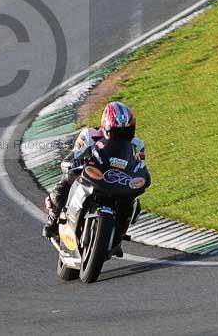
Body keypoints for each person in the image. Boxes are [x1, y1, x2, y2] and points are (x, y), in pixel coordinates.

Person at [42, 101, 151, 257]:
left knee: (131, 200)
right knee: (67, 179)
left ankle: (116, 237)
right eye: (117, 132)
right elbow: (72, 156)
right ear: (105, 126)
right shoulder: (89, 135)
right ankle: (53, 220)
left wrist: (143, 176)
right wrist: (73, 162)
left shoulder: (137, 144)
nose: (121, 136)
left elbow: (139, 165)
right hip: (92, 176)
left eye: (126, 131)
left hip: (118, 182)